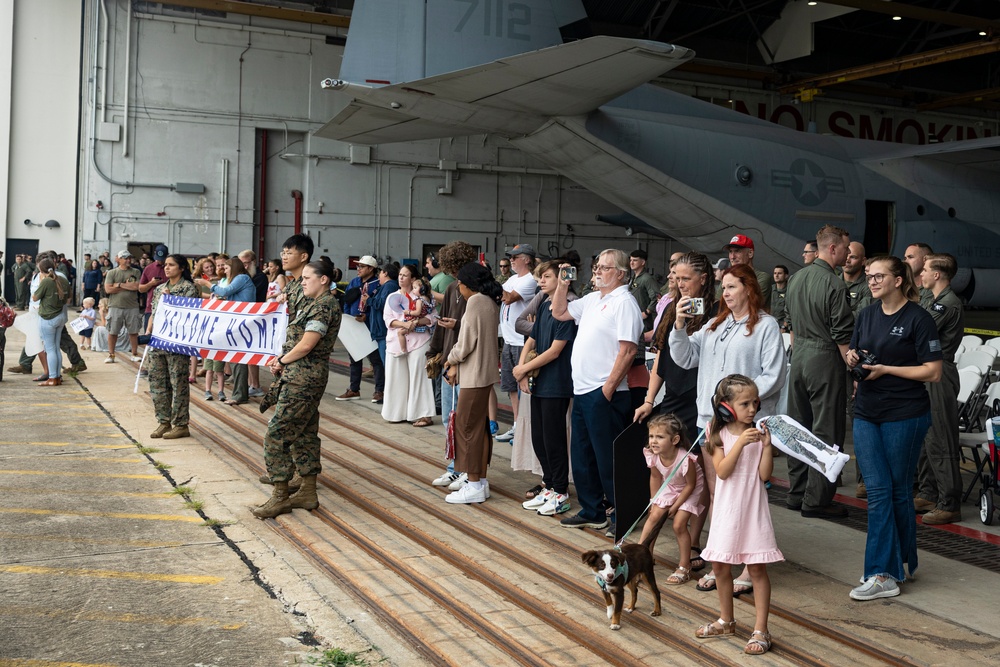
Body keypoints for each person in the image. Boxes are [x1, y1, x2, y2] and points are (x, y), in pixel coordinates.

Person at [668, 262, 786, 594]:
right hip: (712, 421)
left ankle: (750, 567)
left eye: (732, 286)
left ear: (749, 288)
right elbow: (686, 357)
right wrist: (679, 325)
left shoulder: (765, 326)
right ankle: (724, 562)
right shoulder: (713, 325)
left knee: (749, 494)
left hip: (746, 424)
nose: (725, 292)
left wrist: (740, 406)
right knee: (720, 493)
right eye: (724, 287)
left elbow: (774, 374)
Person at [846, 256, 941, 600]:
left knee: (893, 490)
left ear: (898, 280)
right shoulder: (867, 314)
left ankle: (882, 574)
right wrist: (852, 358)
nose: (871, 281)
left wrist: (887, 369)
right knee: (882, 490)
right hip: (867, 411)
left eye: (878, 276)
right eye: (869, 276)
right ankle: (899, 561)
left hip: (905, 413)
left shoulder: (918, 318)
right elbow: (856, 351)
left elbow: (932, 371)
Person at [551, 249, 643, 533]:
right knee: (582, 454)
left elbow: (628, 350)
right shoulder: (593, 299)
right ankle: (593, 510)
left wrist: (608, 388)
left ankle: (623, 516)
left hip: (605, 392)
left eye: (605, 268)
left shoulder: (624, 303)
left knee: (608, 458)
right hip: (583, 389)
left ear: (620, 273)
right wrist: (562, 285)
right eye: (597, 266)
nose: (597, 272)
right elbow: (559, 312)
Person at [695, 374, 782, 656]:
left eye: (755, 402)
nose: (753, 409)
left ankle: (761, 629)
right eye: (745, 403)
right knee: (720, 567)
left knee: (756, 568)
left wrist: (766, 447)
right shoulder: (719, 435)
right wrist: (741, 444)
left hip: (753, 508)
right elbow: (722, 471)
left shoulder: (758, 434)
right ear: (725, 407)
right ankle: (726, 620)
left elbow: (764, 475)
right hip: (727, 511)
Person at [252, 259, 342, 519]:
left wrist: (281, 360)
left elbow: (306, 345)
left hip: (304, 378)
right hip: (301, 376)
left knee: (277, 434)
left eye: (307, 278)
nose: (302, 282)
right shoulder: (315, 303)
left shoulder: (324, 306)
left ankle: (280, 496)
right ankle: (307, 490)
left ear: (323, 280)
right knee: (304, 432)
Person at [785, 225, 853, 519]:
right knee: (826, 431)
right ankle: (817, 499)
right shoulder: (835, 285)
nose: (849, 254)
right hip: (825, 357)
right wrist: (852, 369)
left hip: (799, 355)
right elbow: (841, 334)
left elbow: (790, 322)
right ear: (833, 248)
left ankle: (796, 492)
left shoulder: (796, 278)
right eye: (846, 248)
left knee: (798, 427)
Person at [514, 260, 577, 517]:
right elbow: (533, 338)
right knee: (538, 436)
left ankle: (561, 490)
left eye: (547, 276)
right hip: (538, 381)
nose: (541, 281)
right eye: (540, 277)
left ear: (563, 279)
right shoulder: (543, 305)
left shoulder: (568, 309)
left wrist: (524, 369)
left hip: (557, 382)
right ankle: (549, 484)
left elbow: (555, 350)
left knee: (553, 437)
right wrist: (521, 369)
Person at [442, 263, 502, 504]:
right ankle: (481, 480)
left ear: (468, 284)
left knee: (466, 428)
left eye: (460, 282)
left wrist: (451, 359)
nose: (458, 286)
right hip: (483, 372)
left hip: (474, 373)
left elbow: (466, 342)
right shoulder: (489, 301)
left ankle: (474, 482)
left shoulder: (476, 301)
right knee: (480, 427)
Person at [912, 254, 964, 525]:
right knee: (926, 436)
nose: (921, 274)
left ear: (938, 275)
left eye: (925, 270)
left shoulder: (947, 304)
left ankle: (950, 502)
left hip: (939, 373)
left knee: (941, 437)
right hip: (928, 371)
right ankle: (930, 492)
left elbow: (920, 329)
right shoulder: (934, 301)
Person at [426, 241, 479, 487]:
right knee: (449, 417)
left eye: (456, 270)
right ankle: (454, 466)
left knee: (463, 419)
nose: (454, 276)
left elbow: (475, 329)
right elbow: (440, 322)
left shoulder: (476, 292)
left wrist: (455, 326)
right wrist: (434, 351)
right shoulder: (451, 290)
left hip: (466, 361)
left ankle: (467, 468)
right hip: (450, 358)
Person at [637, 412, 705, 586]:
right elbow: (655, 477)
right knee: (653, 517)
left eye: (660, 437)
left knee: (679, 524)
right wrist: (654, 500)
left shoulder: (685, 459)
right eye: (651, 436)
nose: (653, 441)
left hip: (689, 489)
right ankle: (643, 558)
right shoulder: (653, 454)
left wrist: (676, 505)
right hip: (670, 485)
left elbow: (690, 485)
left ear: (674, 440)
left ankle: (684, 566)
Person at [147, 254, 201, 440]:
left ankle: (180, 424)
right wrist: (149, 333)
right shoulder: (160, 288)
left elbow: (188, 317)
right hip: (158, 341)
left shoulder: (188, 288)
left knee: (178, 384)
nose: (167, 268)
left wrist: (171, 301)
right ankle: (164, 421)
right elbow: (154, 313)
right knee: (158, 383)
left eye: (171, 265)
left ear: (181, 268)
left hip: (177, 344)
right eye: (166, 265)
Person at [382, 264, 437, 427]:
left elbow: (433, 317)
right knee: (396, 377)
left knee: (420, 377)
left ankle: (423, 414)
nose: (401, 278)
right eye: (400, 275)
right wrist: (405, 325)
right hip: (396, 342)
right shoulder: (392, 296)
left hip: (419, 341)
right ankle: (396, 412)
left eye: (405, 275)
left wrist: (418, 321)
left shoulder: (423, 297)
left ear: (413, 279)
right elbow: (388, 319)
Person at [197, 257, 256, 405]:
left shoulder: (241, 277)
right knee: (237, 359)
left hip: (241, 321)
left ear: (234, 268)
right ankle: (239, 393)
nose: (225, 271)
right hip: (237, 321)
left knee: (238, 359)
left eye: (227, 268)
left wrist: (207, 284)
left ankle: (239, 394)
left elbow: (224, 291)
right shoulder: (242, 278)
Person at [496, 243, 538, 443]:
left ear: (527, 259)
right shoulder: (513, 278)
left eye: (515, 257)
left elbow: (508, 298)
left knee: (524, 386)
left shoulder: (530, 280)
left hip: (522, 340)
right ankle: (516, 425)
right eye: (510, 257)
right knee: (511, 385)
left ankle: (526, 428)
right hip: (509, 339)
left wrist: (492, 284)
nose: (511, 260)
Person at [336, 255, 385, 403]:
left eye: (362, 266)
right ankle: (354, 389)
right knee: (354, 357)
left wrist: (367, 316)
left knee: (376, 359)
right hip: (354, 324)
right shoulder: (354, 282)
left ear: (371, 269)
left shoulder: (378, 284)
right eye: (358, 266)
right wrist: (348, 315)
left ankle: (379, 391)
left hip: (370, 326)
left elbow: (379, 305)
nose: (358, 269)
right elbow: (346, 300)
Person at [32, 259, 71, 386]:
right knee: (56, 348)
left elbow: (35, 297)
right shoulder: (63, 280)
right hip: (60, 316)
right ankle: (58, 376)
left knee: (50, 349)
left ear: (41, 270)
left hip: (48, 317)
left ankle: (52, 378)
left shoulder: (47, 281)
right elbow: (68, 299)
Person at [103, 249, 143, 364]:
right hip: (115, 305)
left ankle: (134, 354)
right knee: (113, 331)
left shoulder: (135, 271)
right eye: (125, 258)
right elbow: (108, 289)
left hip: (132, 306)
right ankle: (111, 354)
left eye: (129, 258)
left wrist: (119, 285)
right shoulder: (112, 273)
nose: (128, 260)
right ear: (118, 259)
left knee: (133, 331)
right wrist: (126, 285)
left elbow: (136, 287)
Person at [239, 249, 268, 398]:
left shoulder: (260, 277)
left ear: (253, 262)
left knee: (252, 353)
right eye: (241, 263)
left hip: (255, 317)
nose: (243, 266)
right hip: (246, 317)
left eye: (245, 263)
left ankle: (256, 385)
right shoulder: (245, 276)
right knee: (246, 353)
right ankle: (251, 383)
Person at [725, 235, 773, 311]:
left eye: (737, 251)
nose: (732, 257)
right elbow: (719, 305)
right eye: (730, 252)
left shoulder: (762, 277)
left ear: (750, 253)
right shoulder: (727, 278)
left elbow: (748, 305)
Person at [368, 263, 400, 365]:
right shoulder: (385, 286)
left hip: (383, 331)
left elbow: (382, 304)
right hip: (381, 331)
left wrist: (369, 300)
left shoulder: (389, 286)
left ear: (385, 273)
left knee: (387, 364)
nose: (378, 276)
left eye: (380, 273)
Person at [138, 244, 169, 332]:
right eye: (158, 259)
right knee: (148, 336)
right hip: (151, 308)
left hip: (167, 308)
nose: (160, 261)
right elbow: (141, 289)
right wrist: (151, 283)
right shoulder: (148, 269)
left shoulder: (172, 268)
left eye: (162, 259)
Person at [629, 248, 659, 330]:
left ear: (643, 262)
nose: (631, 263)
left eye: (635, 260)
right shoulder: (633, 278)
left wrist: (647, 312)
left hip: (644, 321)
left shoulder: (647, 278)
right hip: (634, 317)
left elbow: (657, 297)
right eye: (630, 260)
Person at [903, 242, 934, 306]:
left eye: (910, 257)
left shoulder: (933, 287)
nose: (906, 261)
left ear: (925, 260)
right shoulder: (901, 284)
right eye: (905, 258)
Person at [771, 265, 789, 332]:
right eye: (775, 273)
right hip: (769, 325)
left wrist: (784, 327)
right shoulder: (770, 289)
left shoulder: (790, 291)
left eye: (780, 273)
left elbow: (791, 312)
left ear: (786, 276)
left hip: (783, 328)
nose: (776, 275)